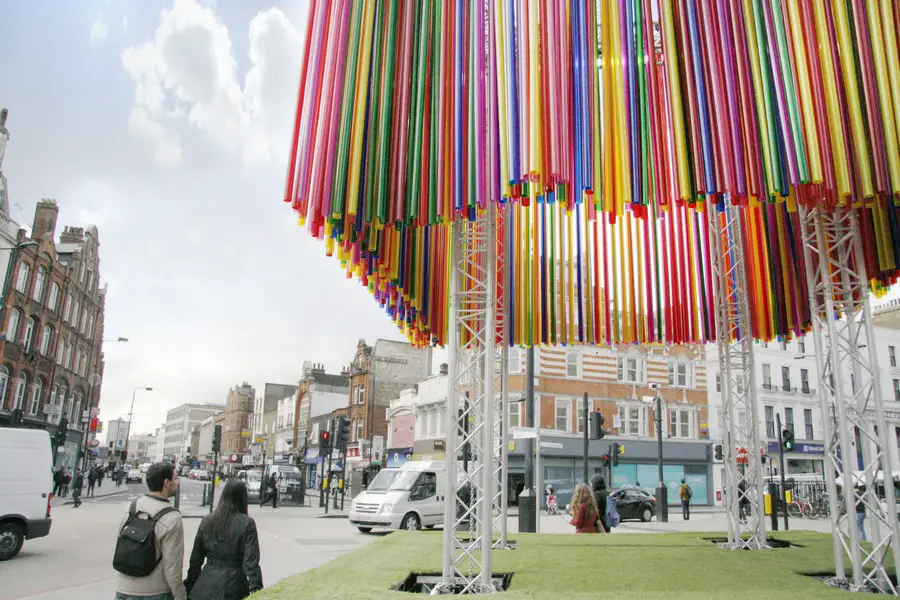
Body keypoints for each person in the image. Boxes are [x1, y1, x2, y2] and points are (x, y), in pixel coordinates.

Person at [115, 461, 186, 600]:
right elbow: (172, 567)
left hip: (123, 590)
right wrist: (180, 595)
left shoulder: (131, 508)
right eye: (175, 478)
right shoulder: (172, 517)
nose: (177, 482)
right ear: (166, 482)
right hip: (155, 593)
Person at [184, 480, 263, 599]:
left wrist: (190, 585)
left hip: (206, 583)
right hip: (234, 585)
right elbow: (251, 562)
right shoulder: (247, 523)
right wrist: (257, 590)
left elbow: (196, 559)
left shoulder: (207, 520)